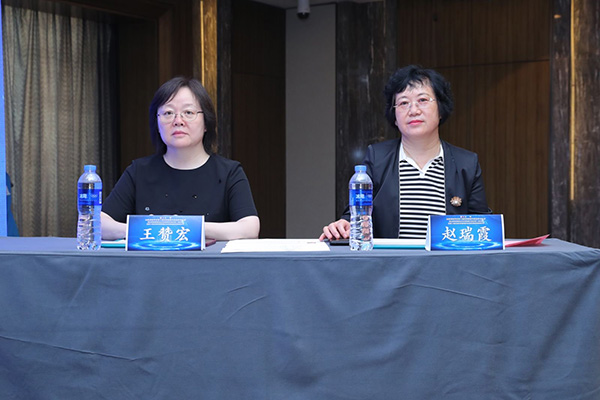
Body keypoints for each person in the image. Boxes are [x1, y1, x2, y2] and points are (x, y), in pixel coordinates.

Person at [320, 65, 491, 240]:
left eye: (422, 100)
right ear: (394, 116)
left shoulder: (466, 163)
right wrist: (344, 226)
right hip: (392, 258)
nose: (414, 110)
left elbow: (484, 227)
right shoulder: (377, 158)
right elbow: (355, 216)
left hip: (447, 258)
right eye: (403, 103)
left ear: (441, 109)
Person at [102, 77, 260, 241]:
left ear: (206, 123)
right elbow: (100, 224)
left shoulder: (229, 173)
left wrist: (187, 227)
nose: (178, 121)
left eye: (188, 113)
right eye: (168, 113)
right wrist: (149, 230)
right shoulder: (138, 171)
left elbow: (250, 228)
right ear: (157, 123)